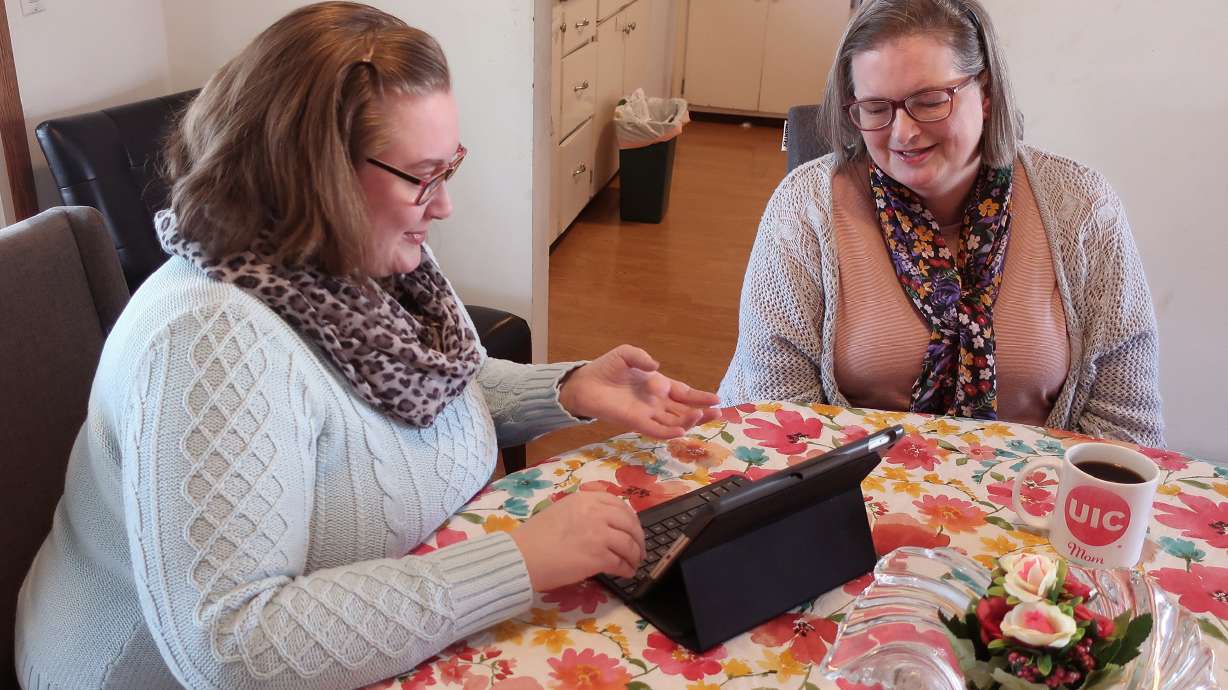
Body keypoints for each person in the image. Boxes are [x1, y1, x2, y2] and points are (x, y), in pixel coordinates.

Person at [14, 4, 719, 688]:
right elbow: (229, 647)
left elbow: (426, 398)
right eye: (423, 175)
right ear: (311, 174)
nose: (442, 205)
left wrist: (563, 391)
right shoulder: (209, 340)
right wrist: (518, 562)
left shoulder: (364, 258)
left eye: (451, 167)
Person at [719, 0, 1164, 446]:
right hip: (847, 494)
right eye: (875, 109)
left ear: (985, 93)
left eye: (929, 102)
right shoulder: (804, 210)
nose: (903, 133)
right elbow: (776, 419)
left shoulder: (1082, 207)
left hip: (1034, 500)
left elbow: (1125, 428)